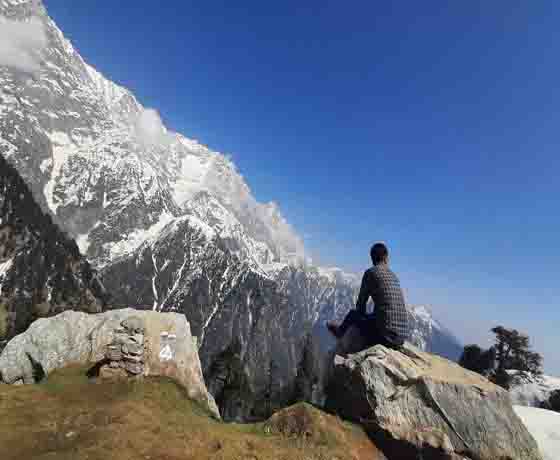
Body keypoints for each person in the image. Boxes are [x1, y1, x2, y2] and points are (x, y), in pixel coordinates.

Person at [327, 242, 409, 351]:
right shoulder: (393, 276)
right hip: (401, 338)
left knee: (353, 314)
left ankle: (340, 332)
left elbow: (360, 305)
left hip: (385, 336)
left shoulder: (371, 273)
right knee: (372, 317)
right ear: (386, 258)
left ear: (372, 258)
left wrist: (361, 317)